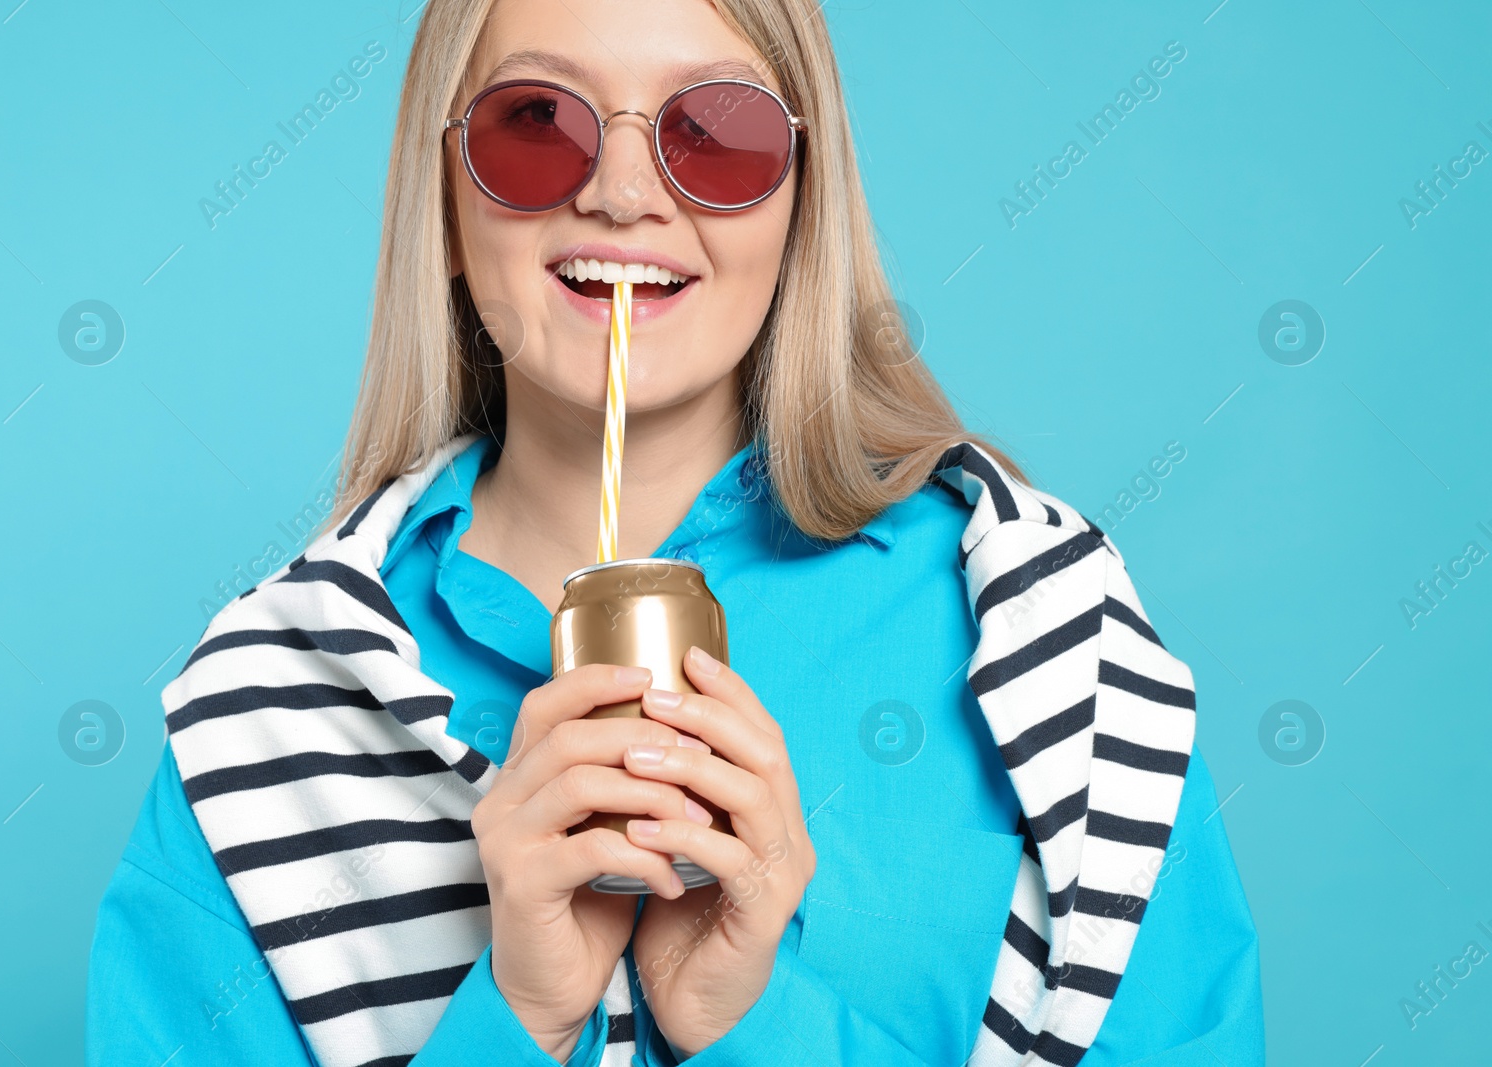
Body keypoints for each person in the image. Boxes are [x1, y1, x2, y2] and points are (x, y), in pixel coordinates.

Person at [86, 1, 1265, 1064]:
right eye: (536, 123)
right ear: (444, 195)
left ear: (802, 199)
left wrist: (751, 1023)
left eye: (715, 132)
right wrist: (520, 1016)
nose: (624, 192)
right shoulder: (262, 717)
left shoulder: (1028, 616)